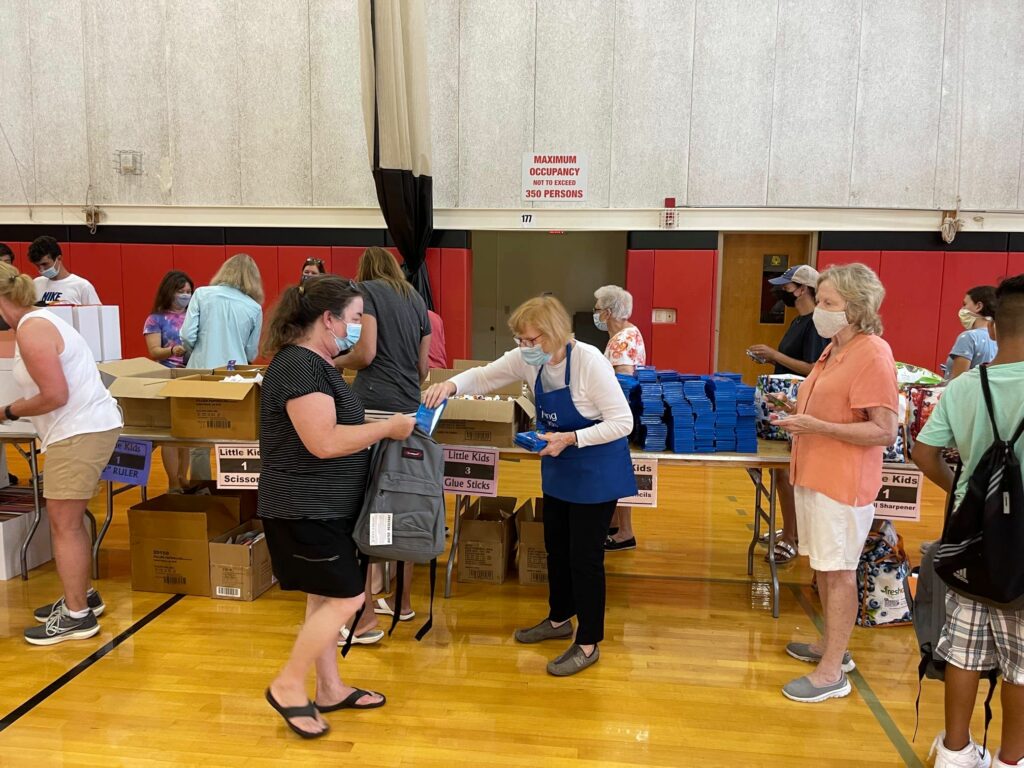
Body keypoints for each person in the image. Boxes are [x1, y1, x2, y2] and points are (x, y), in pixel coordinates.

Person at [423, 294, 636, 676]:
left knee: (585, 560)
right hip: (559, 469)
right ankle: (559, 620)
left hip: (595, 469)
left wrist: (570, 439)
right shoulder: (528, 359)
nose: (522, 348)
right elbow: (485, 375)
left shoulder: (589, 362)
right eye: (520, 341)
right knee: (556, 548)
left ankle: (588, 642)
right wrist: (450, 387)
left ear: (553, 334)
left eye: (529, 340)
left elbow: (623, 423)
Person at [259, 276, 415, 739]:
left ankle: (328, 688)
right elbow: (323, 442)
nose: (356, 328)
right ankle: (288, 684)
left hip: (323, 507)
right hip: (304, 509)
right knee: (348, 597)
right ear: (327, 320)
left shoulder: (317, 365)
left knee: (324, 597)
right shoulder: (299, 367)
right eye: (352, 319)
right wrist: (386, 429)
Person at [912, 273, 1024, 768]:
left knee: (963, 648)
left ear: (993, 329)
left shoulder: (963, 387)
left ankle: (955, 752)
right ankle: (1010, 758)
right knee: (1021, 665)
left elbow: (923, 452)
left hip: (970, 540)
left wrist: (963, 497)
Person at [773, 263, 898, 703]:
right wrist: (796, 416)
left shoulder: (872, 353)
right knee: (824, 567)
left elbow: (884, 431)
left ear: (858, 309)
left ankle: (832, 673)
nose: (819, 311)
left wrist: (817, 426)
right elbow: (832, 411)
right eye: (820, 301)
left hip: (842, 485)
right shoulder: (833, 349)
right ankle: (831, 647)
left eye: (829, 304)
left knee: (839, 570)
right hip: (815, 475)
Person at [0, 262, 122, 645]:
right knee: (68, 521)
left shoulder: (32, 331)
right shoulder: (39, 320)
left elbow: (55, 394)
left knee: (64, 524)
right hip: (83, 427)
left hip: (78, 431)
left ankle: (77, 617)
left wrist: (8, 411)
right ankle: (82, 596)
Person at [341, 246, 431, 638]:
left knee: (371, 507)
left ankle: (363, 615)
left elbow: (366, 351)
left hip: (374, 409)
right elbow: (424, 367)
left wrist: (331, 360)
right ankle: (402, 602)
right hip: (411, 412)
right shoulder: (415, 298)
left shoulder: (368, 292)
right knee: (401, 503)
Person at [748, 264, 829, 565]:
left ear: (803, 289)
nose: (781, 292)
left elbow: (813, 369)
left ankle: (793, 536)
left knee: (789, 473)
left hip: (804, 407)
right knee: (781, 471)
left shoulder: (817, 325)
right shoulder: (797, 322)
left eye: (787, 287)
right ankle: (790, 528)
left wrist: (776, 356)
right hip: (784, 405)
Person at [181, 253, 264, 482]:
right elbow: (251, 353)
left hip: (200, 373)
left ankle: (201, 488)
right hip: (233, 377)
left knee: (198, 439)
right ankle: (235, 490)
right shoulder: (254, 307)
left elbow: (187, 335)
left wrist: (197, 349)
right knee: (234, 436)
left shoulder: (202, 294)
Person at [592, 284, 646, 552]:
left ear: (609, 312)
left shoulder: (621, 341)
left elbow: (623, 380)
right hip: (623, 416)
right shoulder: (629, 332)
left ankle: (625, 532)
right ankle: (614, 524)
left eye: (598, 309)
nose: (596, 314)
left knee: (617, 470)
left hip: (617, 418)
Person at [144, 271, 193, 494]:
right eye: (181, 291)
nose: (185, 296)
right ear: (169, 292)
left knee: (188, 436)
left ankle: (184, 477)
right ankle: (173, 482)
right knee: (172, 436)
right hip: (169, 376)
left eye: (188, 292)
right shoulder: (156, 319)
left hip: (192, 376)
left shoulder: (194, 315)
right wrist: (173, 350)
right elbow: (154, 351)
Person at [941, 285, 998, 381]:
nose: (962, 309)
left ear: (978, 306)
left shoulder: (969, 337)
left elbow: (958, 382)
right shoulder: (1001, 338)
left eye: (965, 304)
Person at [27, 236, 101, 305]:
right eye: (37, 266)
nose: (41, 269)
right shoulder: (36, 284)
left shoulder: (82, 286)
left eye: (45, 264)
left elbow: (97, 315)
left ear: (59, 258)